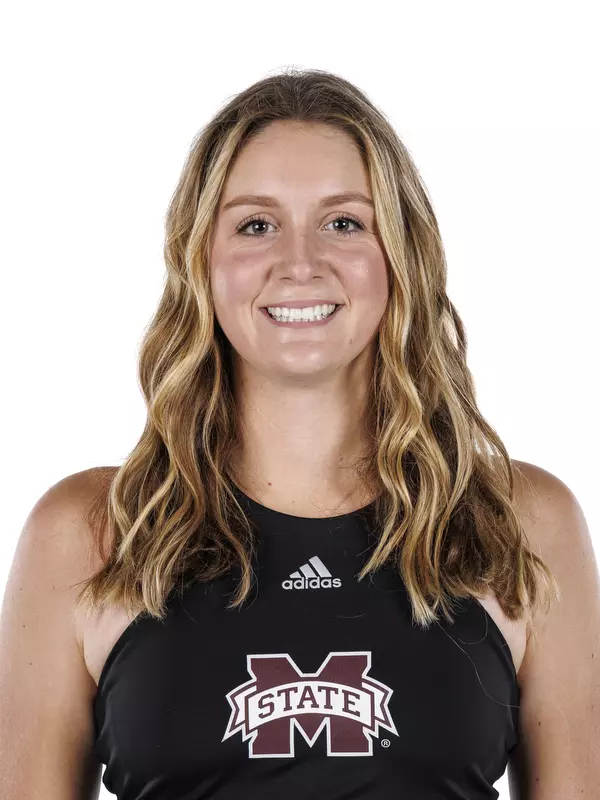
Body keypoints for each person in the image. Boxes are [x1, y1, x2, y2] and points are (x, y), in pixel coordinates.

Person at [1, 67, 598, 799]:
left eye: (343, 222)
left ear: (400, 256)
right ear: (202, 262)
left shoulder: (520, 524)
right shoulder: (91, 533)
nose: (300, 262)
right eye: (256, 224)